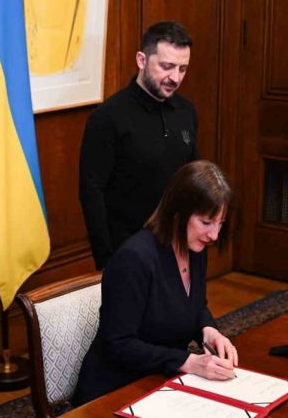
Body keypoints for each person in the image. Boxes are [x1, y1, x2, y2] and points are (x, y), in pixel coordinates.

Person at [72, 160, 238, 407]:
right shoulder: (134, 259)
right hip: (114, 390)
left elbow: (194, 306)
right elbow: (118, 345)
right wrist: (188, 362)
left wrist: (208, 330)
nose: (214, 235)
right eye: (206, 223)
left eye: (220, 224)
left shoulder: (195, 249)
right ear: (177, 213)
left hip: (160, 380)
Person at [79, 20, 198, 270]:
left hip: (178, 245)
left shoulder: (186, 111)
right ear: (142, 60)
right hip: (127, 250)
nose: (175, 78)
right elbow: (92, 192)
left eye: (183, 69)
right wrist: (106, 260)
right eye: (166, 66)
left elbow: (192, 178)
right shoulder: (108, 117)